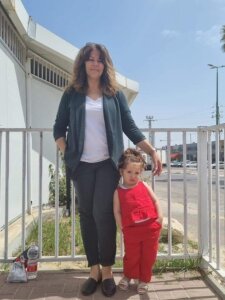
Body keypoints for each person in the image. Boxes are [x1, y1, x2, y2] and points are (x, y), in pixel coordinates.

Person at [53, 42, 162, 297]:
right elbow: (59, 128)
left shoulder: (115, 95)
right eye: (90, 59)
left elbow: (131, 128)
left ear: (105, 65)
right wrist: (68, 153)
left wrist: (152, 151)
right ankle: (94, 270)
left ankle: (108, 270)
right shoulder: (72, 93)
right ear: (83, 63)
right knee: (87, 214)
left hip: (106, 164)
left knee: (103, 214)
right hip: (81, 166)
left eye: (99, 59)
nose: (94, 63)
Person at [113, 148, 163, 295]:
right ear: (122, 171)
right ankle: (128, 276)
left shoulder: (144, 185)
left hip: (150, 229)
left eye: (136, 173)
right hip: (131, 231)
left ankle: (143, 280)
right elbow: (116, 211)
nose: (133, 176)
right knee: (131, 256)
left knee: (149, 256)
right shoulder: (118, 191)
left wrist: (160, 218)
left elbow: (155, 201)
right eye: (129, 172)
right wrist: (121, 226)